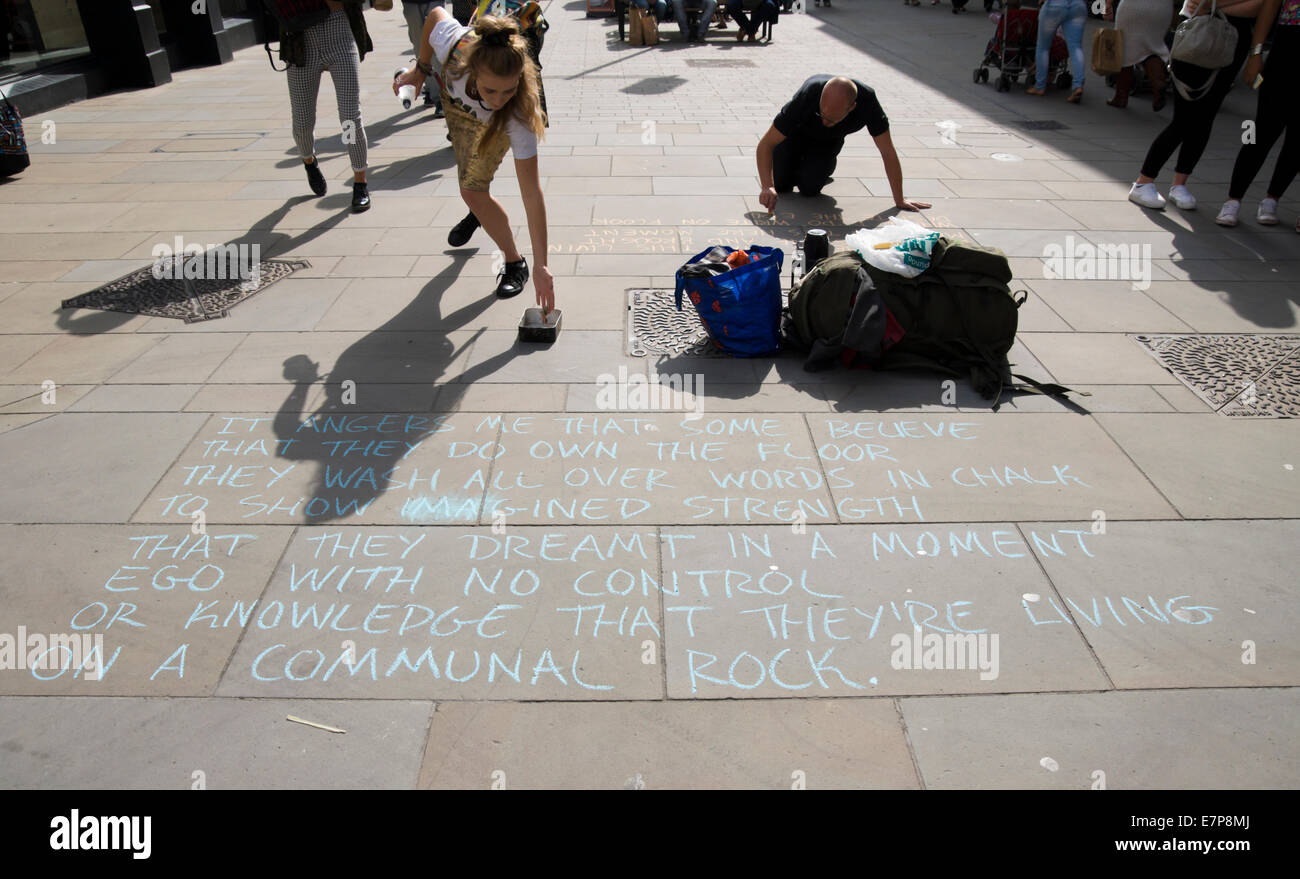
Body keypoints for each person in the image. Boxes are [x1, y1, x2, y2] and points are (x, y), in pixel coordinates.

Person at [394, 8, 555, 308]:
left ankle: (513, 262)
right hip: (457, 108)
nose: (497, 99)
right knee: (471, 184)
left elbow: (532, 194)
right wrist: (420, 69)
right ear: (473, 70)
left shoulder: (515, 112)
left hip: (498, 124)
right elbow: (434, 16)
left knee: (471, 189)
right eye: (490, 89)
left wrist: (541, 265)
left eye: (507, 89)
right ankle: (480, 211)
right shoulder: (455, 46)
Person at [1127, 0, 1262, 211]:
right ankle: (1144, 181)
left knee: (1205, 118)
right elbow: (1198, 3)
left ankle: (1179, 184)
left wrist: (1217, 4)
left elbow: (1257, 6)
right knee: (1183, 119)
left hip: (1232, 41)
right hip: (1198, 33)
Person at [756, 75, 932, 212]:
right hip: (795, 135)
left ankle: (822, 168)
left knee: (810, 189)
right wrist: (767, 186)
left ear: (852, 108)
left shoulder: (868, 103)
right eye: (821, 115)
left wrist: (899, 199)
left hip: (829, 142)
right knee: (780, 185)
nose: (825, 122)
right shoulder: (807, 96)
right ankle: (795, 167)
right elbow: (765, 144)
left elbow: (887, 151)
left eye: (832, 119)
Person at [278, 0, 374, 212]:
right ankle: (309, 161)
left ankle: (360, 182)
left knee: (350, 117)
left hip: (338, 29)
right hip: (300, 37)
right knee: (302, 122)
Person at [1216, 0, 1299, 231]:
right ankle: (1233, 200)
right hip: (1285, 55)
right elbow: (1270, 6)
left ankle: (1272, 199)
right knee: (1257, 133)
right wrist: (1256, 52)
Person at [1104, 0, 1171, 109]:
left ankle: (1121, 97)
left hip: (1134, 6)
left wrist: (1108, 4)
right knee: (1151, 47)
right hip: (1163, 9)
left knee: (1124, 47)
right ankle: (1158, 82)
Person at [1026, 0, 1088, 102]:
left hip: (1055, 4)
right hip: (1078, 5)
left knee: (1043, 47)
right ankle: (1078, 86)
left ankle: (1039, 86)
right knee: (1076, 47)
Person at [402, 0, 446, 115]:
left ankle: (441, 98)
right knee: (419, 46)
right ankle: (430, 88)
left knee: (437, 43)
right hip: (410, 3)